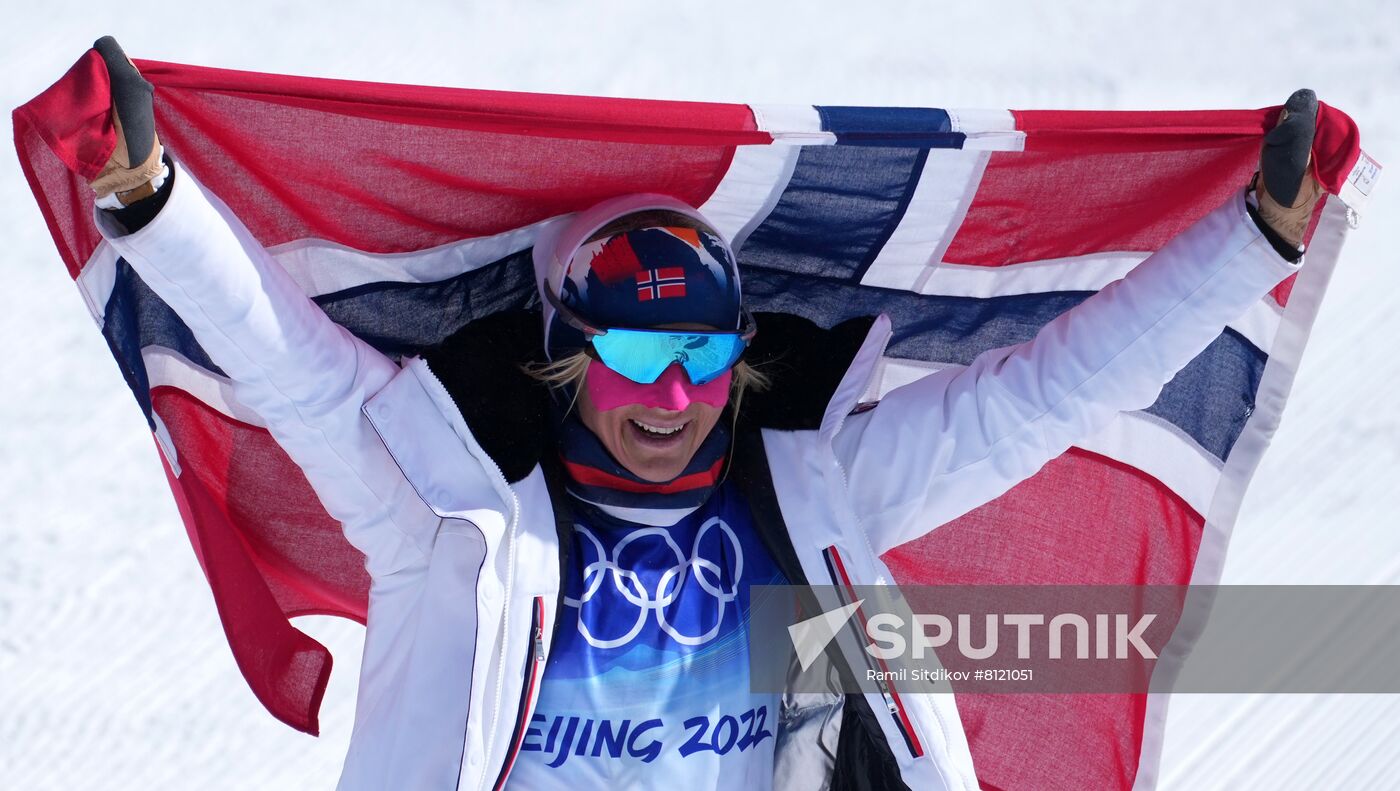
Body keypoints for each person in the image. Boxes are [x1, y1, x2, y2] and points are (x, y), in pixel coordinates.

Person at [82, 35, 1321, 791]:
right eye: (630, 350)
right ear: (566, 353)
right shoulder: (436, 506)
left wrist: (1246, 244)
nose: (672, 395)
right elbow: (287, 360)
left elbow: (1042, 395)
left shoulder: (815, 487)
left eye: (700, 351)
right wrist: (153, 202)